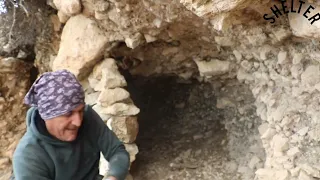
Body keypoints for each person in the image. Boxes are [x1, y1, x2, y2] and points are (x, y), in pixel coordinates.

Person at [12, 69, 130, 180]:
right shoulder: (28, 157)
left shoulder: (88, 117)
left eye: (80, 111)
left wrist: (113, 177)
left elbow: (117, 151)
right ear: (47, 116)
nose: (78, 122)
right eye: (68, 114)